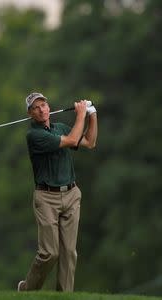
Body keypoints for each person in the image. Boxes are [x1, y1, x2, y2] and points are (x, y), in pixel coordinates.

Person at [17, 92, 98, 292]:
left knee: (69, 252)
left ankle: (64, 295)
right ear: (30, 114)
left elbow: (89, 142)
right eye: (35, 108)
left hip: (71, 194)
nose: (41, 109)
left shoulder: (59, 128)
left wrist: (92, 114)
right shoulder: (34, 136)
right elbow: (71, 140)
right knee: (49, 253)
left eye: (43, 105)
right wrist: (80, 114)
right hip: (46, 198)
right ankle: (27, 290)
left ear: (48, 107)